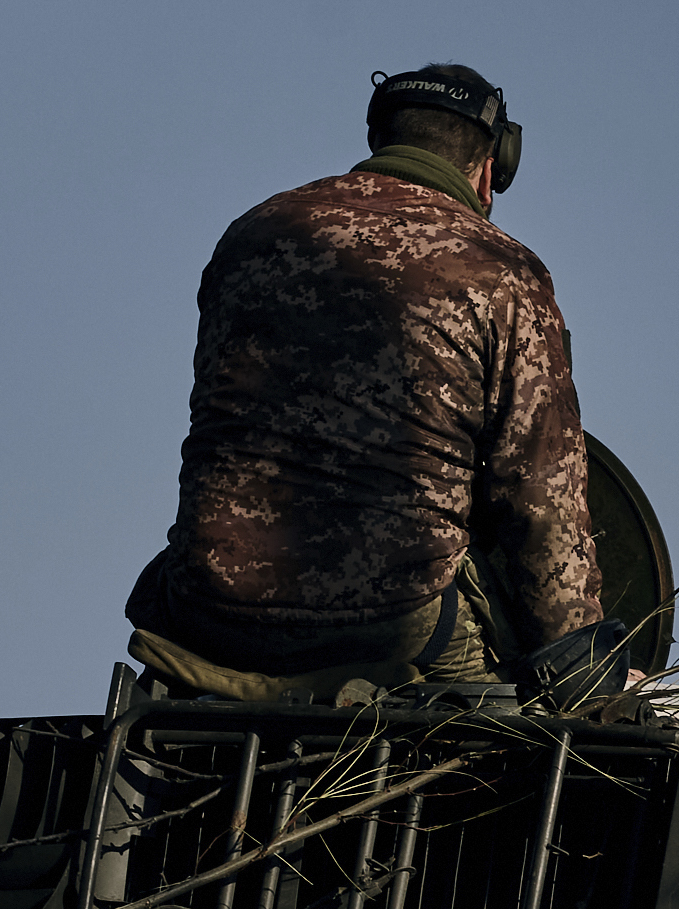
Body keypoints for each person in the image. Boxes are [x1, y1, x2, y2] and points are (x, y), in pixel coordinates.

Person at [122, 60, 620, 705]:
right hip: (393, 621)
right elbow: (539, 495)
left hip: (207, 608)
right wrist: (587, 678)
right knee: (509, 754)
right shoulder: (501, 271)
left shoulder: (255, 236)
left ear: (379, 140)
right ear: (493, 166)